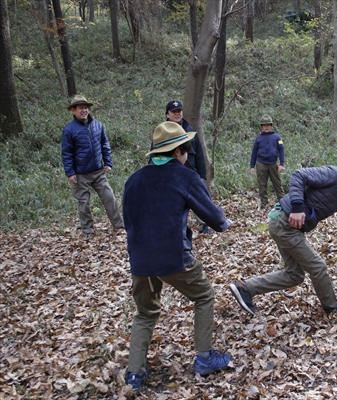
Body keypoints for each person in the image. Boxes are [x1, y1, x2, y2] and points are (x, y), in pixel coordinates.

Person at [122, 122, 233, 392]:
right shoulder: (185, 177)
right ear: (180, 151)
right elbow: (215, 219)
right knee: (204, 296)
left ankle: (135, 375)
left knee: (146, 312)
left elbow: (128, 220)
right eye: (186, 148)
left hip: (140, 261)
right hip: (174, 257)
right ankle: (205, 358)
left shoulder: (134, 179)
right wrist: (225, 223)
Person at [230, 149, 337, 316]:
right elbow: (299, 175)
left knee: (294, 275)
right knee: (318, 267)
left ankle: (245, 289)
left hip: (287, 226)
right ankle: (332, 309)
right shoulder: (336, 175)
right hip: (285, 223)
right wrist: (298, 206)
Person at [61, 95, 124, 234]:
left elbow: (104, 144)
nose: (84, 110)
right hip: (80, 174)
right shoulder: (69, 130)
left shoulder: (98, 125)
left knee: (109, 197)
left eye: (85, 107)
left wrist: (108, 162)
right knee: (84, 203)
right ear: (73, 110)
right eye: (80, 108)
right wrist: (70, 173)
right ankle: (88, 230)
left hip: (98, 171)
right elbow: (66, 153)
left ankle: (119, 226)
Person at [164, 100, 212, 234]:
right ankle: (174, 229)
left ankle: (204, 227)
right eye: (174, 112)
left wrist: (202, 174)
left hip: (190, 173)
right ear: (167, 114)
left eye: (179, 111)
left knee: (200, 201)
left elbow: (199, 153)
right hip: (170, 175)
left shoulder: (190, 129)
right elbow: (154, 154)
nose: (177, 114)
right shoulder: (162, 132)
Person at [250, 114, 285, 209]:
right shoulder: (258, 139)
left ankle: (283, 203)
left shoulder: (277, 137)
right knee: (262, 185)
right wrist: (252, 166)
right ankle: (264, 204)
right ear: (261, 127)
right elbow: (254, 152)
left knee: (277, 184)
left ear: (271, 126)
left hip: (273, 163)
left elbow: (281, 149)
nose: (266, 127)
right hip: (261, 163)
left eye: (268, 125)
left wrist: (281, 164)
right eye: (264, 125)